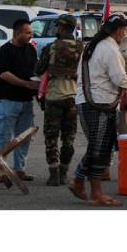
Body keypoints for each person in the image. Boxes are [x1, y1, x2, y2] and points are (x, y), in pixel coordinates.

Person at [69, 13, 127, 207]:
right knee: (99, 149)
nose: (125, 34)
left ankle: (85, 184)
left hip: (87, 101)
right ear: (120, 30)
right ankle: (89, 188)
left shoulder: (92, 46)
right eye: (124, 30)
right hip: (100, 104)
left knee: (99, 148)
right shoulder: (110, 48)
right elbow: (120, 80)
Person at [34, 14, 83, 186]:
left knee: (51, 137)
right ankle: (64, 172)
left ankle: (53, 173)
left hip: (54, 97)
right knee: (68, 138)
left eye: (58, 27)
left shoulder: (51, 47)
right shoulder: (81, 49)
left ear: (62, 28)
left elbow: (39, 69)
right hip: (73, 98)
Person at [0, 18, 40, 183]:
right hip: (8, 100)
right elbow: (4, 74)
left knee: (24, 137)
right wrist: (26, 84)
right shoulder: (4, 51)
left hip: (27, 101)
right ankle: (0, 170)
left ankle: (20, 169)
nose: (31, 35)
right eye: (28, 33)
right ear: (17, 33)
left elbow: (34, 70)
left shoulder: (31, 49)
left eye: (31, 32)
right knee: (2, 137)